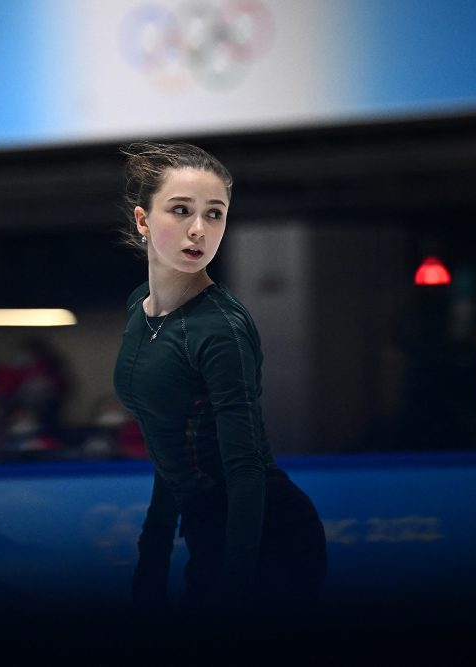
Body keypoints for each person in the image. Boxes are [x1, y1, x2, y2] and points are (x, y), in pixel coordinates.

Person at [112, 142, 327, 621]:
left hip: (266, 536)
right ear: (144, 221)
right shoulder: (138, 306)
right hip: (210, 531)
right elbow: (167, 447)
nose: (198, 229)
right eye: (181, 210)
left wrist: (234, 588)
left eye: (215, 214)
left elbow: (245, 470)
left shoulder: (221, 329)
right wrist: (152, 562)